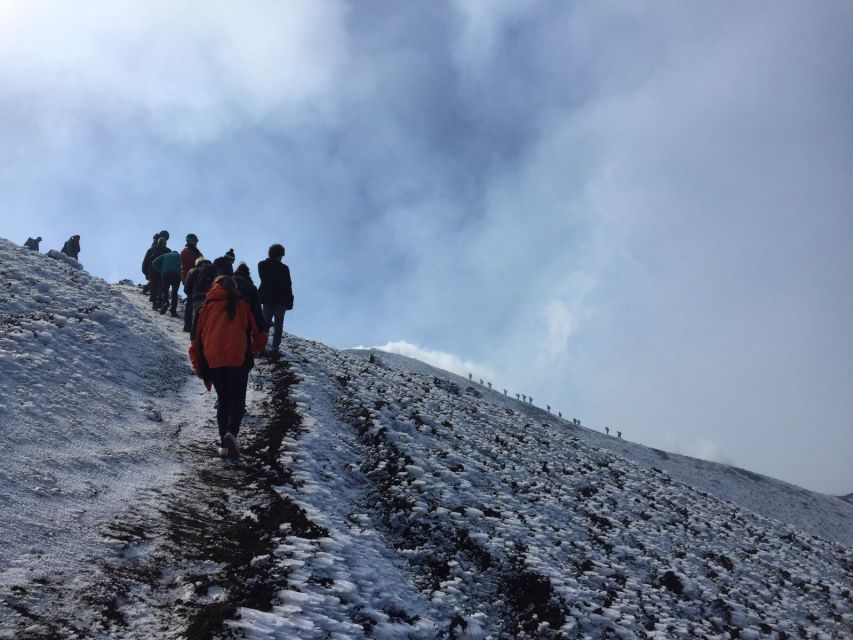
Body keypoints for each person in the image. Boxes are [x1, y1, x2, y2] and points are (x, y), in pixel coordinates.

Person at [188, 276, 266, 461]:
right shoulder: (242, 303)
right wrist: (252, 350)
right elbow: (260, 334)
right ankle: (231, 434)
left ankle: (224, 445)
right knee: (237, 400)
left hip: (213, 358)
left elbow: (195, 338)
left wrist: (199, 363)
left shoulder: (205, 307)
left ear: (214, 286)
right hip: (237, 358)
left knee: (223, 400)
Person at [257, 243, 293, 354]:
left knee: (265, 324)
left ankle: (261, 347)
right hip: (281, 301)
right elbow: (288, 285)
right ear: (280, 255)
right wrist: (290, 301)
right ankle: (275, 348)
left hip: (267, 299)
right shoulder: (284, 268)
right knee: (278, 325)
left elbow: (264, 279)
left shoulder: (262, 265)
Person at [185, 257, 220, 337]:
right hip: (212, 299)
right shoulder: (215, 271)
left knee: (197, 318)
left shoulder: (193, 270)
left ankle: (195, 337)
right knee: (209, 319)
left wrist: (191, 295)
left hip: (197, 297)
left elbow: (187, 288)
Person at [233, 262, 267, 334]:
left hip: (225, 320)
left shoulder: (227, 282)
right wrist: (262, 329)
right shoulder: (251, 288)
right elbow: (257, 310)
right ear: (248, 273)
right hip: (244, 324)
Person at [181, 234, 202, 330]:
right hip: (190, 278)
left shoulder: (194, 251)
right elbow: (192, 264)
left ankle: (194, 325)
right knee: (190, 301)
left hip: (195, 278)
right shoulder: (187, 251)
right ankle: (188, 325)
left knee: (194, 301)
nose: (196, 242)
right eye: (195, 240)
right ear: (190, 240)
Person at [151, 249, 182, 316]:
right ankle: (173, 311)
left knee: (165, 290)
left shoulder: (165, 255)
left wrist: (161, 270)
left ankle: (166, 302)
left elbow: (154, 262)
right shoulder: (180, 256)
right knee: (174, 293)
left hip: (166, 274)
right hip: (177, 275)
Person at [147, 236, 170, 310]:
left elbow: (145, 261)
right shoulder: (168, 251)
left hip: (153, 271)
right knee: (161, 287)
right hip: (162, 271)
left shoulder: (151, 249)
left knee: (154, 286)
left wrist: (145, 271)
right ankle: (159, 302)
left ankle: (155, 303)